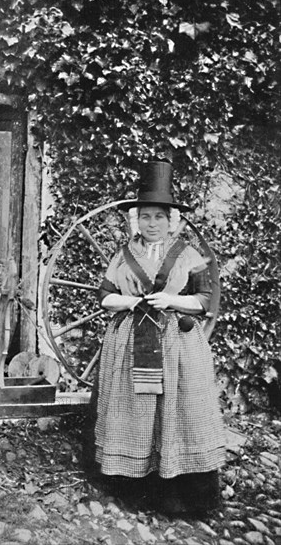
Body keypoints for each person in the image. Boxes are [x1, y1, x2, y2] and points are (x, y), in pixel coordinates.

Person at [93, 159, 225, 515]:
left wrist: (170, 300)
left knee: (180, 409)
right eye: (146, 217)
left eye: (159, 217)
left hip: (177, 345)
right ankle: (135, 488)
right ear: (137, 221)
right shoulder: (123, 256)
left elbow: (203, 301)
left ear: (172, 221)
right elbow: (104, 297)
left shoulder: (188, 254)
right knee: (134, 408)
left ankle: (183, 493)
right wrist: (133, 301)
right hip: (131, 342)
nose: (152, 224)